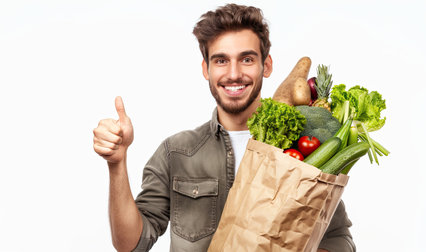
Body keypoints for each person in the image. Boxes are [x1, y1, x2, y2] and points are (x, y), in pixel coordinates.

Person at [93, 4, 355, 252]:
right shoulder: (176, 152)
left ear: (267, 65)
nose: (233, 73)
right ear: (206, 69)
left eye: (247, 59)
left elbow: (339, 239)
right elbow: (130, 244)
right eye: (220, 61)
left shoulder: (300, 149)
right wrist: (117, 163)